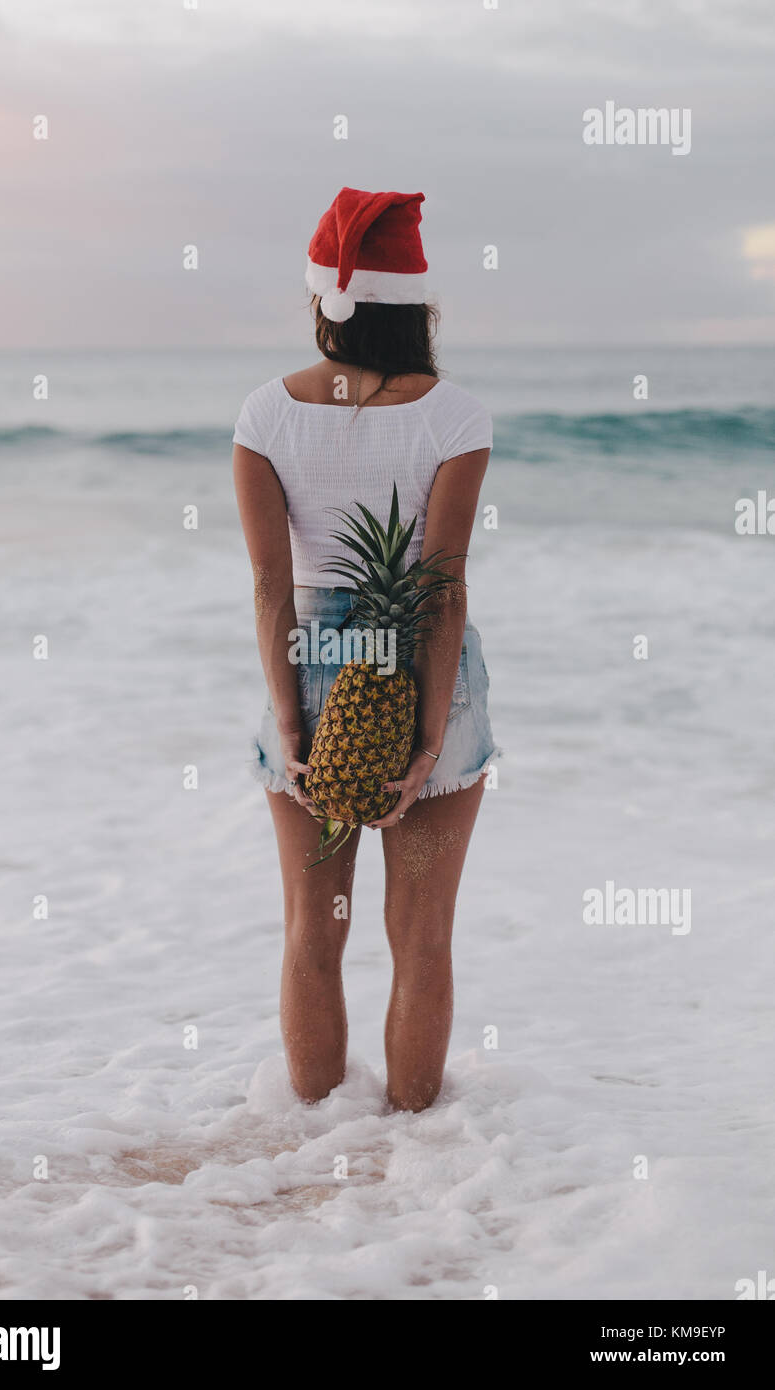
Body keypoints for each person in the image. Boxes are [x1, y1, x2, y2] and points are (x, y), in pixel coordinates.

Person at [233, 187, 497, 1112]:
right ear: (415, 304)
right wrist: (429, 743)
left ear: (328, 301)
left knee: (313, 926)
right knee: (422, 933)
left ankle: (313, 1161)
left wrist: (290, 718)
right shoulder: (455, 416)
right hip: (427, 671)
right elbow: (443, 588)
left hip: (307, 661)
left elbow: (271, 588)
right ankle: (421, 1172)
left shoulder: (265, 415)